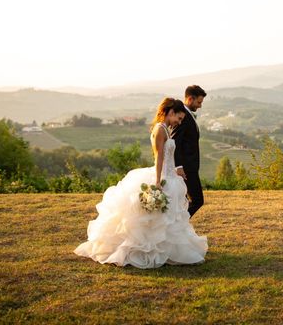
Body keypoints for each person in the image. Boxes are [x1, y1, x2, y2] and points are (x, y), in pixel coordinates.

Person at [73, 97, 207, 269]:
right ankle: (149, 250)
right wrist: (158, 181)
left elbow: (168, 157)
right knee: (159, 218)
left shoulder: (166, 129)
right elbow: (159, 157)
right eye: (178, 118)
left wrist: (174, 171)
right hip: (163, 176)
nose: (179, 122)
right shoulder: (160, 129)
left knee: (167, 218)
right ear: (170, 112)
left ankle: (165, 250)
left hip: (170, 175)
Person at [171, 85, 206, 218]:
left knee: (184, 201)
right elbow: (174, 142)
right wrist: (179, 166)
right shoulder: (183, 117)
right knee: (197, 200)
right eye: (199, 102)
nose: (200, 106)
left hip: (190, 167)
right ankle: (179, 225)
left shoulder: (187, 115)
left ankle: (179, 227)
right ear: (190, 99)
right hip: (186, 168)